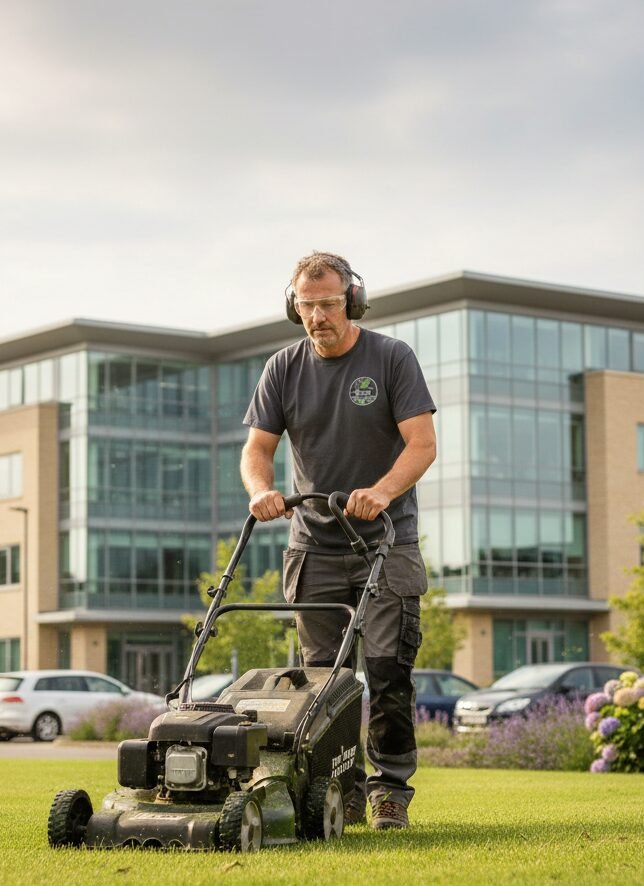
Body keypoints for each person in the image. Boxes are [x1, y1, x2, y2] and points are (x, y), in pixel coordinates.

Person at [241, 251, 437, 830]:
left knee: (387, 670)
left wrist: (381, 490)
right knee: (323, 682)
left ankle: (390, 791)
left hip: (384, 543)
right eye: (308, 305)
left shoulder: (391, 358)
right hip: (314, 545)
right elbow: (257, 450)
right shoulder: (283, 367)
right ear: (293, 306)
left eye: (330, 303)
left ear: (350, 299)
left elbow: (421, 445)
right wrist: (261, 491)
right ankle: (336, 790)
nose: (320, 315)